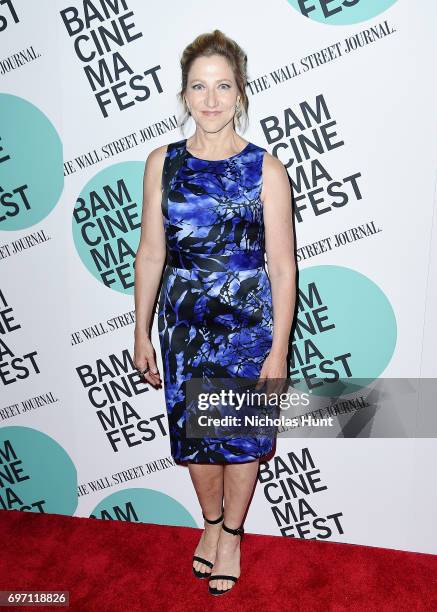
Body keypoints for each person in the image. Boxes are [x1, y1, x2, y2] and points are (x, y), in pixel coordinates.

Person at [133, 30, 296, 596]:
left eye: (222, 86)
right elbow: (151, 251)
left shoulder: (265, 171)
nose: (210, 100)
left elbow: (281, 268)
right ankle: (208, 523)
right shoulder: (162, 164)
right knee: (196, 441)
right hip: (181, 328)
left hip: (248, 330)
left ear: (240, 92)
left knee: (241, 440)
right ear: (183, 94)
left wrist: (278, 348)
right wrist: (141, 332)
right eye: (199, 87)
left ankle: (231, 534)